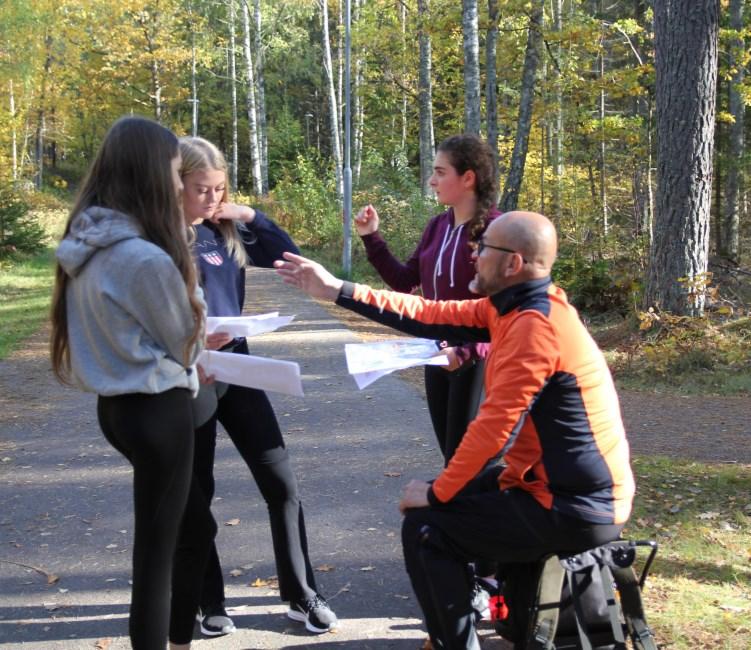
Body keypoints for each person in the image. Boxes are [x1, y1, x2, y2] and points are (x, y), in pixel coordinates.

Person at [274, 210, 635, 650]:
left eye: (483, 248)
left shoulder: (535, 328)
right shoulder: (515, 306)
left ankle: (455, 640)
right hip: (547, 486)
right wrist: (338, 291)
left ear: (512, 264)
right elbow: (428, 313)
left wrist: (439, 492)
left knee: (428, 528)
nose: (473, 253)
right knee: (454, 504)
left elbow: (493, 431)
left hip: (574, 505)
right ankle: (479, 613)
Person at [50, 116, 215, 650]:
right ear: (149, 174)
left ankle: (179, 636)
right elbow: (187, 342)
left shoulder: (88, 243)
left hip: (116, 409)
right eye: (173, 171)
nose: (176, 183)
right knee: (157, 555)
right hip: (158, 411)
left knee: (169, 540)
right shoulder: (142, 258)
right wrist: (188, 279)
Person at [179, 136, 338, 636]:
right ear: (174, 185)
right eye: (201, 189)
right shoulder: (155, 238)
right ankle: (209, 602)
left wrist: (247, 215)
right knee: (196, 492)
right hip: (190, 372)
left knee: (280, 483)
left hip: (238, 363)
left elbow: (286, 257)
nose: (211, 199)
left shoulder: (224, 230)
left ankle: (301, 594)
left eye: (219, 189)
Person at [355, 134, 498, 466]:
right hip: (436, 354)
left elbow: (507, 315)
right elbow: (405, 282)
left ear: (468, 178)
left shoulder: (497, 229)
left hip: (477, 360)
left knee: (470, 465)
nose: (431, 181)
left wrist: (469, 351)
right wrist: (371, 238)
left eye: (440, 172)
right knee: (452, 460)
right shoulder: (437, 226)